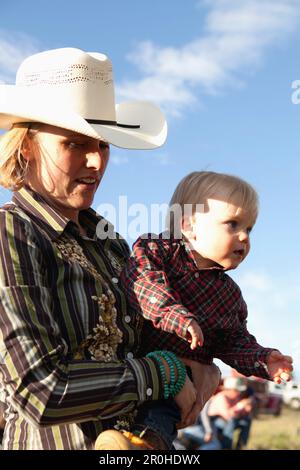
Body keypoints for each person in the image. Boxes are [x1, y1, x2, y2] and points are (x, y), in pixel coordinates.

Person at [0, 48, 220, 450]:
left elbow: (143, 345)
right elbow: (40, 389)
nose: (96, 162)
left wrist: (198, 366)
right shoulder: (10, 232)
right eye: (74, 144)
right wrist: (163, 374)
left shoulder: (110, 242)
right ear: (27, 146)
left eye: (103, 145)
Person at [121, 171, 293, 401]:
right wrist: (176, 316)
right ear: (189, 226)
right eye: (232, 224)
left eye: (249, 228)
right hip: (137, 366)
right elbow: (144, 282)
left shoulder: (228, 294)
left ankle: (149, 437)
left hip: (180, 385)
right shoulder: (157, 252)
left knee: (166, 413)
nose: (244, 237)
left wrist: (262, 360)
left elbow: (232, 342)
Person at [208, 377, 255, 449]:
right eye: (237, 390)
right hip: (213, 423)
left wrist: (246, 410)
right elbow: (228, 416)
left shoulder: (235, 398)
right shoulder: (221, 398)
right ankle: (226, 447)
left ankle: (240, 446)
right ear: (229, 390)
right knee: (231, 421)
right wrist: (239, 406)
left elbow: (237, 414)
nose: (239, 393)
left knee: (247, 421)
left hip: (226, 421)